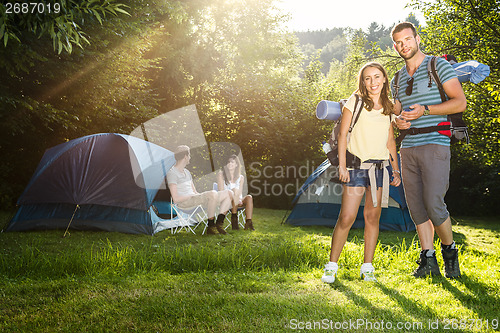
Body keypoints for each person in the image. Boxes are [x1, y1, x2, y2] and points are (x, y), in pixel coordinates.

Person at [391, 22, 466, 278]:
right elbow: (398, 110)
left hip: (435, 142)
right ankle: (428, 259)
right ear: (395, 46)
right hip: (408, 146)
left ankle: (449, 250)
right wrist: (396, 120)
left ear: (417, 39)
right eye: (399, 42)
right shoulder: (397, 78)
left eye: (408, 39)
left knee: (434, 204)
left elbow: (460, 102)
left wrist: (427, 109)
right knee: (416, 208)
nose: (404, 45)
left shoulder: (438, 65)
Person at [321, 62, 401, 284]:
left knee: (372, 218)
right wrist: (342, 167)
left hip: (379, 170)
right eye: (368, 78)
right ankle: (331, 267)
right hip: (355, 168)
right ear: (362, 81)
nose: (373, 82)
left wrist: (395, 169)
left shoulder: (389, 106)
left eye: (377, 77)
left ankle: (367, 267)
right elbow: (342, 136)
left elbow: (390, 141)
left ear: (384, 79)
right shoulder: (354, 102)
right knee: (346, 217)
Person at [167, 145, 232, 235]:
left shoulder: (187, 172)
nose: (190, 157)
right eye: (189, 155)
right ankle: (211, 226)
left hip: (195, 199)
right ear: (185, 156)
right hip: (185, 203)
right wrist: (193, 196)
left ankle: (219, 225)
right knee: (213, 193)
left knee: (229, 193)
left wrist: (202, 196)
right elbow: (176, 199)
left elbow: (195, 192)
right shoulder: (172, 173)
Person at [216, 154, 255, 231]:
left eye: (232, 162)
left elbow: (240, 192)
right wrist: (234, 197)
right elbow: (221, 191)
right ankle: (234, 218)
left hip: (237, 200)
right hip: (225, 200)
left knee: (249, 197)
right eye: (228, 162)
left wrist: (239, 199)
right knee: (234, 190)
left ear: (236, 164)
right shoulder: (221, 174)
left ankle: (248, 223)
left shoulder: (241, 177)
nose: (230, 164)